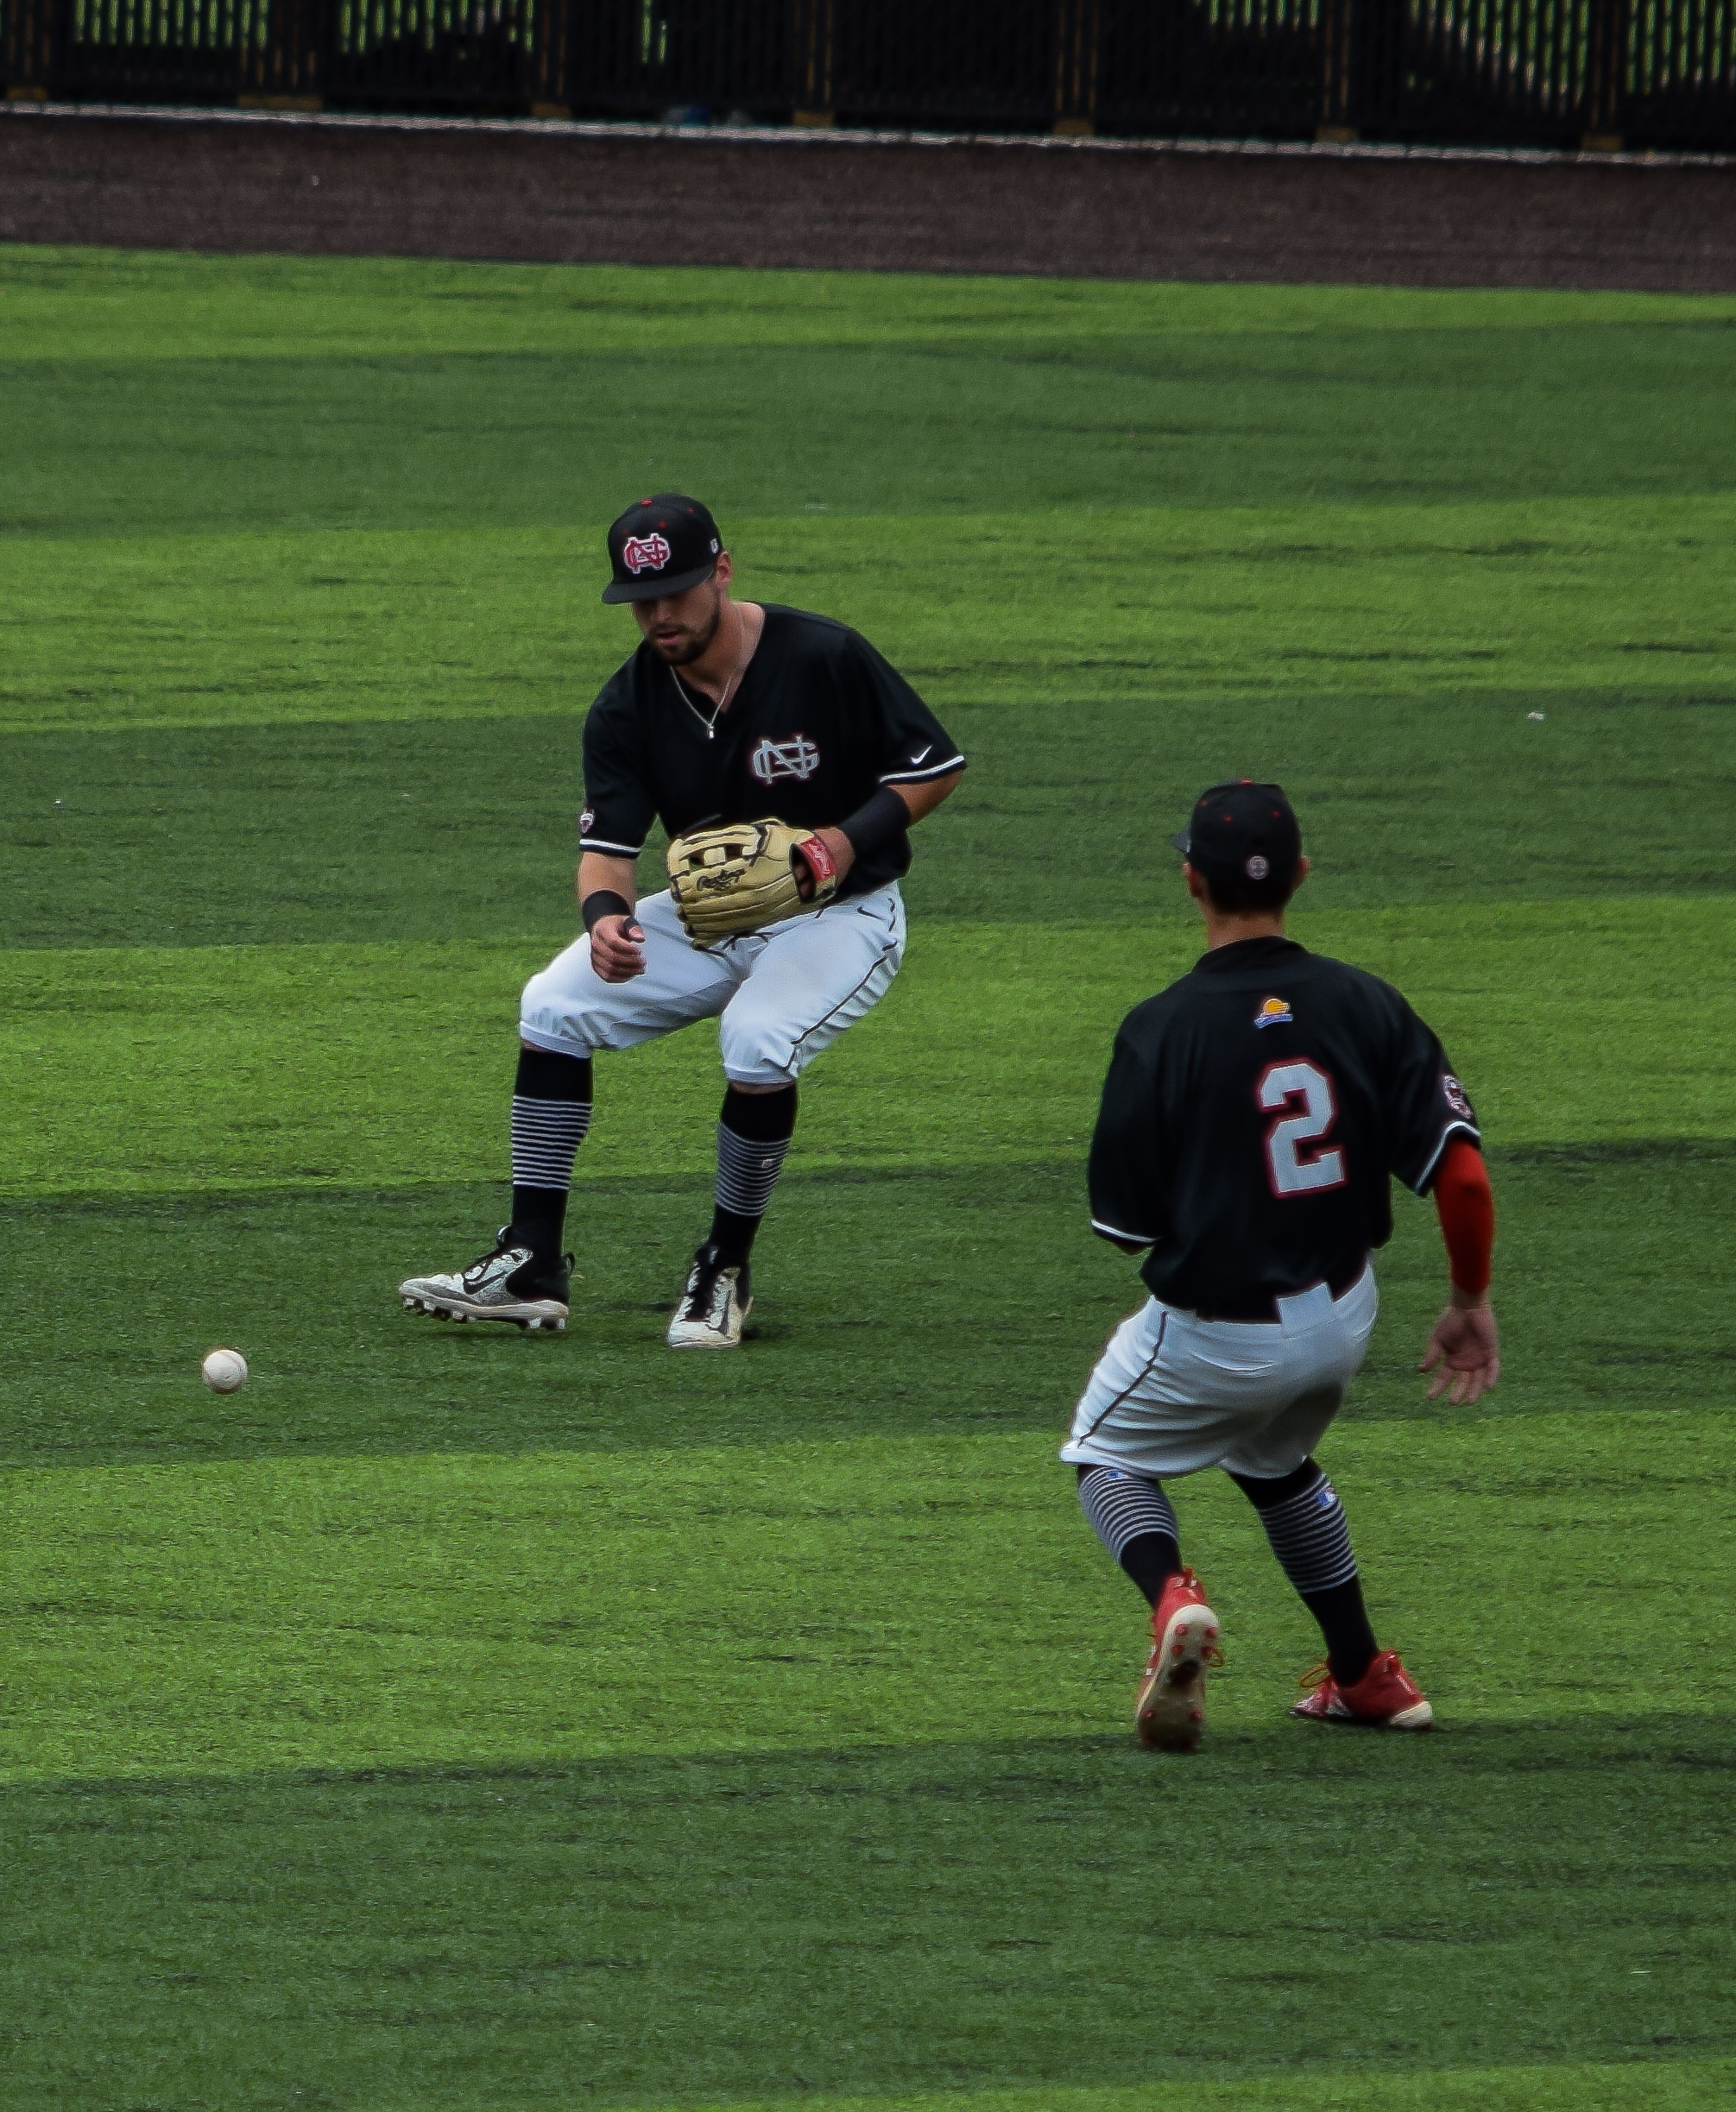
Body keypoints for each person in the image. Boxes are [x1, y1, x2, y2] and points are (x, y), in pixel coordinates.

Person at [399, 494, 963, 1347]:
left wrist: (841, 847)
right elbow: (607, 851)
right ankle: (531, 1262)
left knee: (756, 1041)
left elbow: (934, 766)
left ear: (722, 572)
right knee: (552, 1005)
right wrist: (605, 920)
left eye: (679, 593)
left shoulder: (822, 655)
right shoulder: (626, 707)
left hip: (841, 914)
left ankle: (724, 1267)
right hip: (712, 918)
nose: (660, 615)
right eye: (642, 600)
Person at [1060, 779, 1499, 1750]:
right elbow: (1460, 1178)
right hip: (1341, 1319)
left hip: (1217, 1330)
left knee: (1104, 1453)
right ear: (1300, 873)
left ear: (1189, 880)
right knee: (1276, 1460)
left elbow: (1125, 1224)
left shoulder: (1159, 1026)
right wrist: (1468, 1298)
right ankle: (1362, 1674)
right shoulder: (1366, 1002)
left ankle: (1171, 1594)